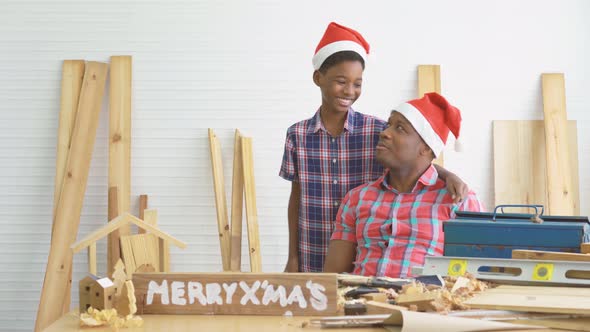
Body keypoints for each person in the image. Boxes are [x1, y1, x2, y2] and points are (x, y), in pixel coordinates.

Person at [280, 22, 469, 273]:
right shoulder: (297, 135)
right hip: (312, 247)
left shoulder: (377, 132)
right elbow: (296, 197)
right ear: (318, 78)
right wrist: (293, 257)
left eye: (357, 83)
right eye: (341, 81)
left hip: (363, 250)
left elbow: (418, 162)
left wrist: (448, 175)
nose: (349, 90)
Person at [323, 92, 485, 277]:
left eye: (400, 128)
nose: (384, 133)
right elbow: (332, 277)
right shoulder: (357, 198)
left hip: (424, 303)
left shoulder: (459, 201)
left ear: (426, 147)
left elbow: (475, 279)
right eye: (388, 125)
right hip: (360, 303)